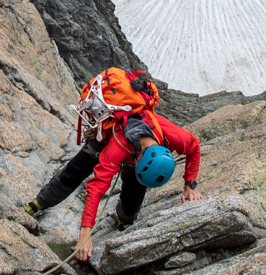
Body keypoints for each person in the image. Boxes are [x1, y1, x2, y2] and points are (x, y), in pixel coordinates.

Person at [72, 110, 202, 261]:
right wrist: (85, 234)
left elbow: (194, 147)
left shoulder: (176, 137)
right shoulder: (118, 147)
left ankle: (124, 217)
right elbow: (97, 186)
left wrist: (189, 186)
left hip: (138, 149)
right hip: (122, 143)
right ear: (138, 158)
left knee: (130, 209)